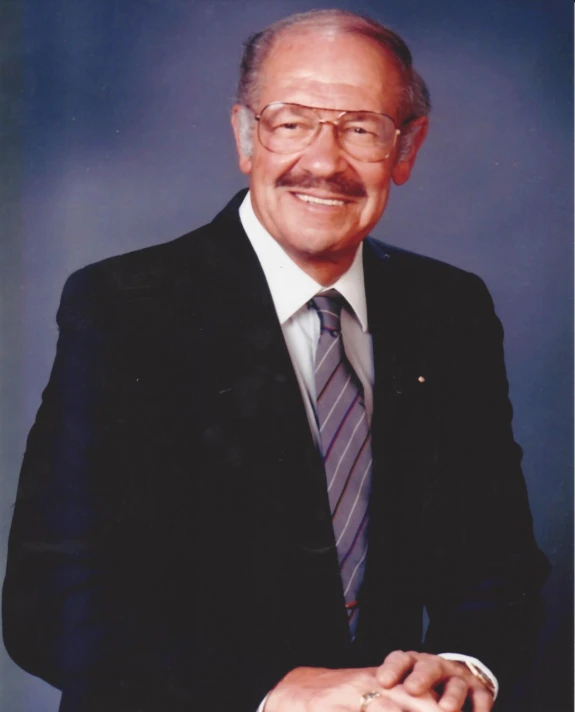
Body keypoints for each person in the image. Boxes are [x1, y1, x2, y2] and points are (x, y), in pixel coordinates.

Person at [2, 9, 548, 712]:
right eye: (291, 122)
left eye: (360, 128)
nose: (323, 161)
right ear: (244, 136)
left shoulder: (449, 309)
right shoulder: (127, 307)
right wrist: (270, 691)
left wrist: (463, 664)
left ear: (406, 149)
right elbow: (51, 605)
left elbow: (495, 566)